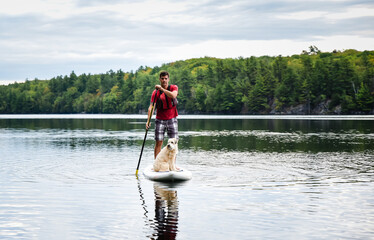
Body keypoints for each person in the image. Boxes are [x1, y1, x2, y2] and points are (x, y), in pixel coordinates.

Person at [146, 71, 179, 160]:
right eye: (162, 78)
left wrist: (162, 89)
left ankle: (173, 166)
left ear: (168, 79)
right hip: (160, 119)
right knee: (159, 142)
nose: (164, 80)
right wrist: (148, 121)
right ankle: (157, 163)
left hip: (172, 119)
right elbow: (151, 107)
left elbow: (173, 95)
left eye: (166, 78)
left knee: (174, 143)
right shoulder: (155, 93)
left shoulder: (173, 87)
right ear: (160, 79)